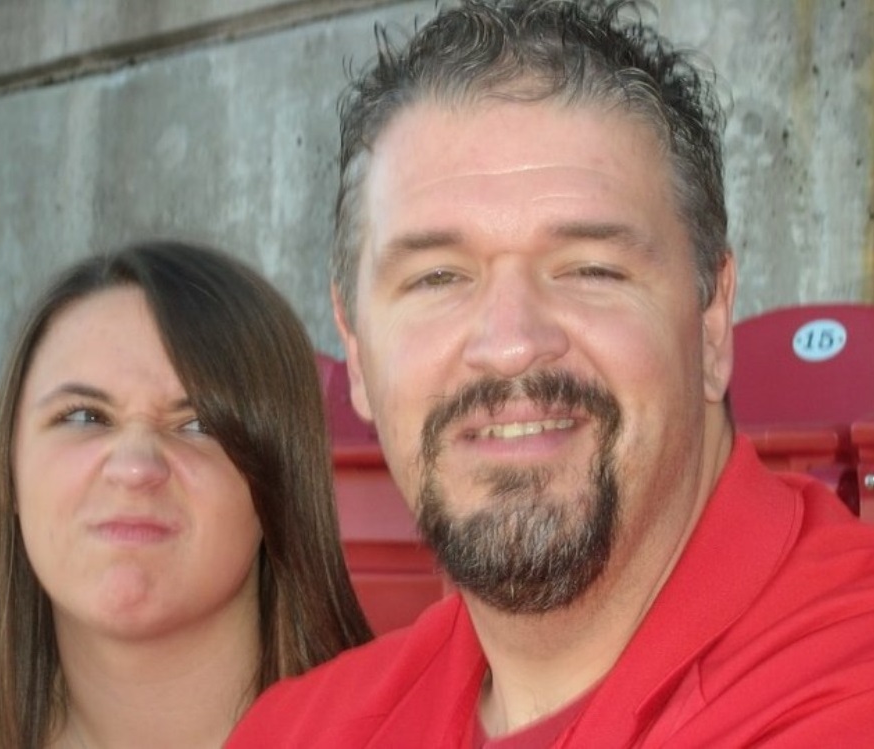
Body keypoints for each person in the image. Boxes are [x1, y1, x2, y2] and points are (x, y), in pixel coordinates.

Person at [227, 1, 874, 746]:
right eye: (437, 277)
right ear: (356, 345)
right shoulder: (297, 730)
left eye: (590, 269)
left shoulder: (846, 678)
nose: (510, 345)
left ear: (710, 321)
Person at [0, 240, 371, 748]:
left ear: (281, 480)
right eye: (84, 416)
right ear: (9, 468)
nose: (134, 468)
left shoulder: (401, 730)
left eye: (199, 424)